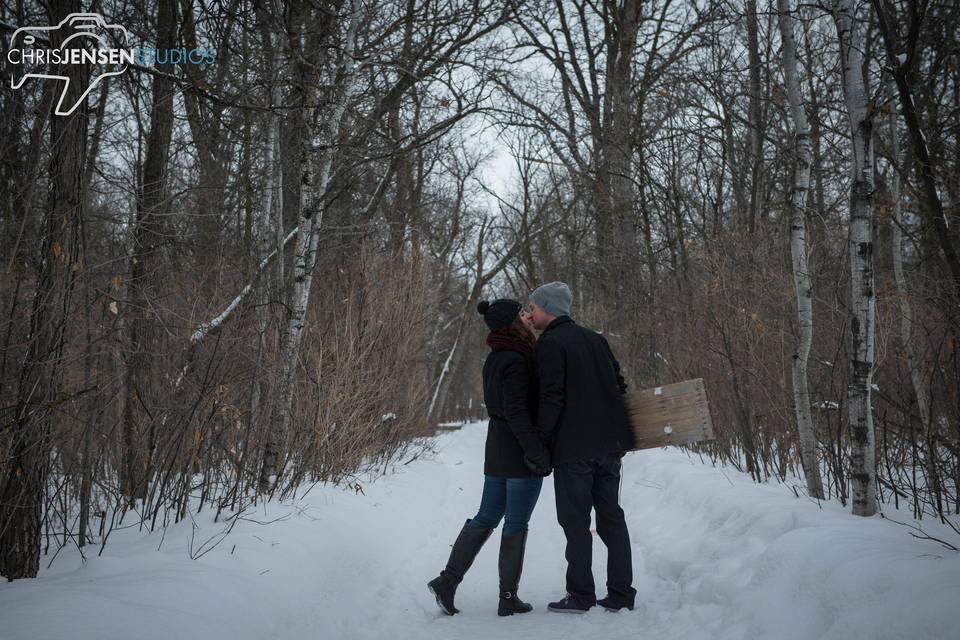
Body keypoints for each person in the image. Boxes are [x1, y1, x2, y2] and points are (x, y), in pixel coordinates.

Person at [427, 298, 551, 617]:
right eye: (521, 313)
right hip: (517, 452)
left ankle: (447, 581)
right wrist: (535, 451)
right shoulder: (517, 358)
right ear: (511, 322)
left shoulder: (496, 357)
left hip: (497, 450)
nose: (527, 317)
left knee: (487, 515)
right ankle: (508, 596)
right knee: (516, 521)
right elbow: (516, 411)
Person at [528, 281, 637, 613]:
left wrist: (539, 442)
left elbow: (551, 398)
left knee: (575, 523)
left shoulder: (550, 344)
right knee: (611, 518)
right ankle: (621, 593)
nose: (529, 313)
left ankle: (580, 595)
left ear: (547, 309)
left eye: (532, 307)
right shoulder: (596, 339)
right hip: (609, 446)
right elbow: (620, 385)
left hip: (574, 450)